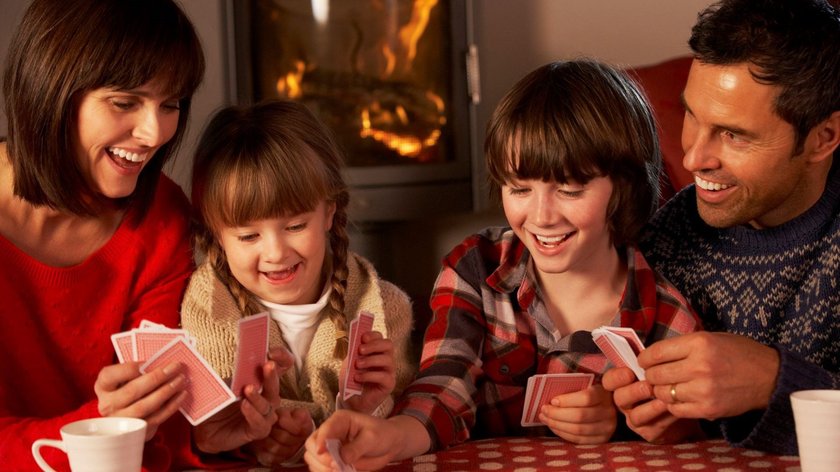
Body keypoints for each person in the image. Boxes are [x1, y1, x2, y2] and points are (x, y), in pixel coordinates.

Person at [304, 59, 702, 471]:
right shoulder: (473, 269)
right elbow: (444, 382)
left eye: (569, 189)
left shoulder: (667, 313)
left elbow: (690, 429)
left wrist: (619, 421)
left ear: (625, 188)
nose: (542, 216)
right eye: (520, 188)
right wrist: (389, 438)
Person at [602, 0, 840, 455]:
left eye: (733, 134)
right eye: (692, 116)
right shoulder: (666, 239)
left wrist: (771, 380)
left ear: (823, 138)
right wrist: (675, 422)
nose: (692, 159)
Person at [0, 0, 212, 470]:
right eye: (125, 102)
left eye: (171, 104)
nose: (154, 132)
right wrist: (101, 426)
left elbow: (163, 429)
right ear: (50, 87)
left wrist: (220, 435)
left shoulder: (162, 216)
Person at [179, 99, 416, 467]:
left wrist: (366, 408)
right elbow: (216, 424)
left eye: (294, 226)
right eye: (248, 236)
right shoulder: (204, 310)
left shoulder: (386, 307)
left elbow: (402, 423)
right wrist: (265, 438)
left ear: (329, 212)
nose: (275, 252)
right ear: (216, 236)